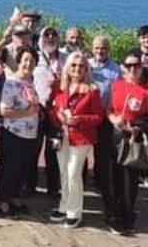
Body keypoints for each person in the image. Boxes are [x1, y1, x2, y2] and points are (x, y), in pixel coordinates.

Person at [49, 52, 104, 228]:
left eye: (81, 66)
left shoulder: (92, 89)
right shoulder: (60, 85)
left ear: (86, 69)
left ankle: (75, 212)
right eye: (73, 65)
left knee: (73, 173)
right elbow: (52, 108)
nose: (77, 69)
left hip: (81, 138)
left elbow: (98, 116)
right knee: (63, 172)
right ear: (68, 67)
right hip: (61, 135)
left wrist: (79, 119)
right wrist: (58, 116)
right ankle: (64, 207)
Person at [106, 52, 148, 234]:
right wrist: (114, 120)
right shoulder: (116, 85)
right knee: (113, 178)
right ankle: (113, 215)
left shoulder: (147, 91)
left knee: (130, 181)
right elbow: (109, 109)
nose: (133, 69)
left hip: (133, 140)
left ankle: (127, 217)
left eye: (136, 65)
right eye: (129, 66)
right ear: (123, 68)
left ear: (142, 68)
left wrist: (137, 127)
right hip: (116, 136)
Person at [0, 46, 39, 218]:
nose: (28, 63)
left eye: (32, 60)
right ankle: (2, 201)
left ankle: (14, 197)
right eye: (25, 60)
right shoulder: (11, 82)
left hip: (30, 134)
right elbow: (4, 111)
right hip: (13, 133)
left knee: (22, 168)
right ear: (19, 62)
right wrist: (27, 113)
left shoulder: (31, 81)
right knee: (9, 168)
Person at [27, 27, 67, 197]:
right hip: (38, 109)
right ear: (41, 38)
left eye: (54, 34)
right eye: (47, 35)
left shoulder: (65, 58)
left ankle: (53, 188)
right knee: (33, 150)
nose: (50, 38)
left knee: (53, 150)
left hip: (57, 112)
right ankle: (29, 186)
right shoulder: (34, 57)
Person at [88, 35, 121, 194]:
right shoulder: (85, 65)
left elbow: (117, 92)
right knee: (82, 148)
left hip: (105, 116)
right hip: (86, 115)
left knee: (102, 152)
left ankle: (99, 181)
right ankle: (81, 180)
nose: (100, 51)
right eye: (97, 48)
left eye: (103, 48)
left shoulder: (116, 69)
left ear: (108, 50)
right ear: (92, 49)